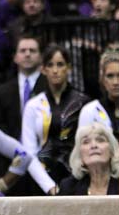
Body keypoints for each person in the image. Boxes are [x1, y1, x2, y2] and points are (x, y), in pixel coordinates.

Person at [22, 44, 90, 187]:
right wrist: (48, 186)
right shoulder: (33, 105)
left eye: (60, 65)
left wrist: (75, 180)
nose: (55, 70)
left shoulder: (82, 103)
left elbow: (87, 144)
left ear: (69, 68)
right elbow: (29, 152)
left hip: (77, 177)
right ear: (43, 69)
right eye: (50, 65)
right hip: (41, 179)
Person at [58, 123, 119, 195]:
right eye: (86, 142)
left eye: (100, 140)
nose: (93, 146)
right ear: (80, 155)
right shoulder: (68, 187)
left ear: (112, 152)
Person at [79, 48, 119, 138]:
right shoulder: (90, 111)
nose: (115, 82)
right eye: (110, 76)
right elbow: (83, 146)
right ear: (103, 79)